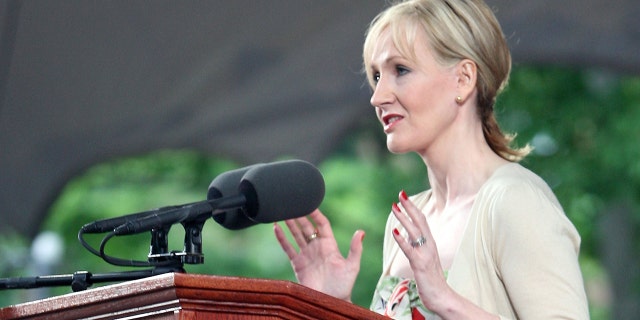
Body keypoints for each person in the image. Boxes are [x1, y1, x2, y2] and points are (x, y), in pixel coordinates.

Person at [273, 0, 590, 318]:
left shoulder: (516, 200)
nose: (377, 96)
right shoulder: (409, 219)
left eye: (400, 70)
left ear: (464, 79)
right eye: (376, 76)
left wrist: (444, 298)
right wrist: (332, 305)